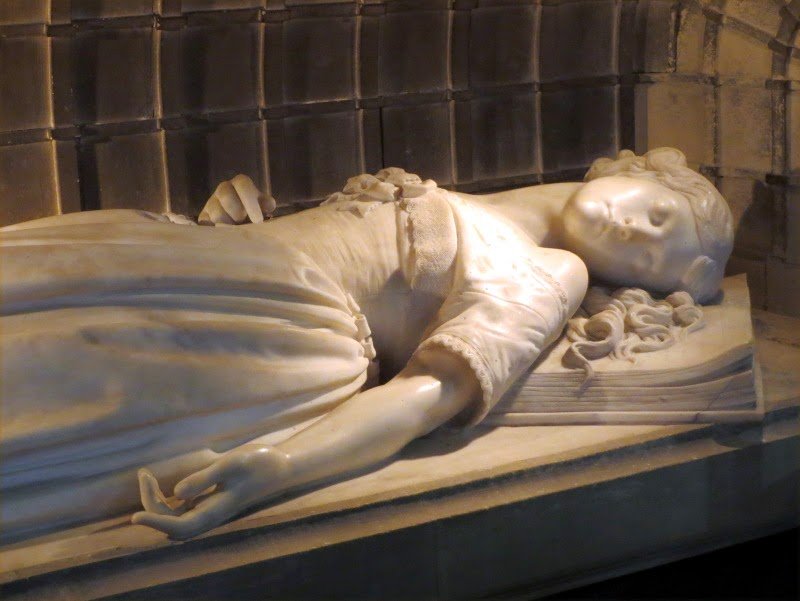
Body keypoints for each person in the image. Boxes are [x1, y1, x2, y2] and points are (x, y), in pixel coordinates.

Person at [0, 148, 733, 540]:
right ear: (639, 171)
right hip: (234, 262)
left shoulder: (551, 272)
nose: (636, 236)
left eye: (646, 260)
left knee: (44, 366)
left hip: (281, 326)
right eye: (660, 215)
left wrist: (279, 465)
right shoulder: (494, 205)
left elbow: (429, 395)